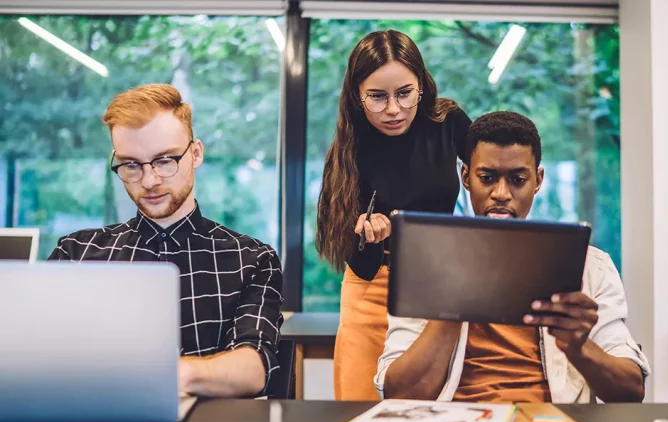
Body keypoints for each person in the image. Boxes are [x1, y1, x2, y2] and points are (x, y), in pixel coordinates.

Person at [376, 111, 649, 403]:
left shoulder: (591, 268)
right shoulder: (424, 267)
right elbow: (399, 394)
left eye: (517, 180)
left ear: (538, 180)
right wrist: (452, 306)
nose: (501, 193)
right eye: (487, 178)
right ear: (466, 177)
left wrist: (580, 348)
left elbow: (631, 391)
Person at [49, 84, 283, 399]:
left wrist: (169, 376)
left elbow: (254, 369)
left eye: (164, 160)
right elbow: (39, 354)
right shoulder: (75, 254)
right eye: (131, 164)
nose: (149, 181)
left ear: (195, 153)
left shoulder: (251, 259)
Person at [315, 29, 472, 401]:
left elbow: (490, 176)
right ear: (357, 95)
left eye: (404, 93)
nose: (393, 109)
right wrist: (365, 235)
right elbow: (341, 243)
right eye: (377, 97)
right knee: (359, 410)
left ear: (421, 85)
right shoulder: (349, 145)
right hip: (372, 287)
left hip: (437, 284)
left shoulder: (447, 122)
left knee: (434, 408)